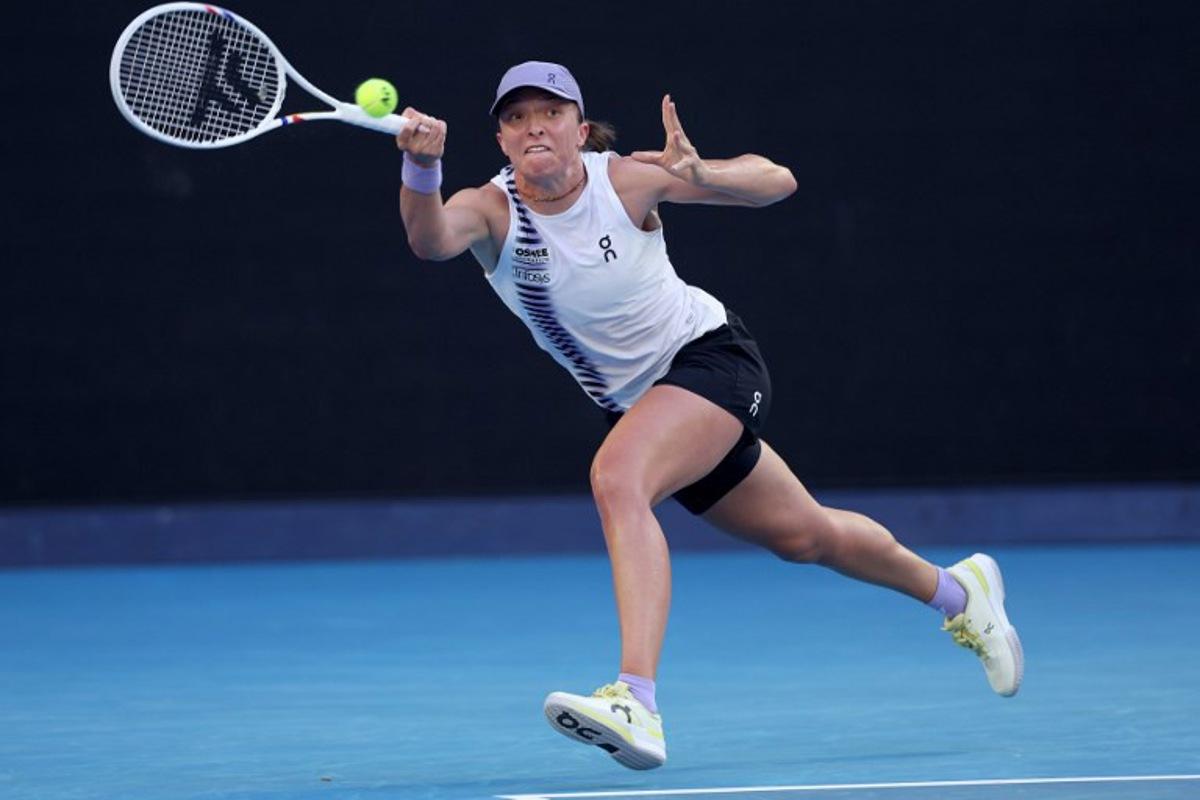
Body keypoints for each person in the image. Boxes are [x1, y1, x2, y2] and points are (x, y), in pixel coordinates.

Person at [395, 61, 1023, 771]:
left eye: (550, 112)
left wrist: (702, 174)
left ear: (578, 125)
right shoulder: (490, 209)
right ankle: (957, 592)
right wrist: (424, 167)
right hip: (645, 407)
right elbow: (430, 239)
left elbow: (776, 180)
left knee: (617, 480)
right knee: (806, 536)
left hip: (711, 363)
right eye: (516, 117)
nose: (534, 126)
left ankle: (636, 699)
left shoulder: (624, 179)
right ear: (503, 140)